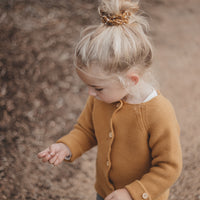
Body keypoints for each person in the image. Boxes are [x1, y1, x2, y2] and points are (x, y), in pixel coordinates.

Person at [38, 0, 182, 199]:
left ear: (131, 80)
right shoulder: (101, 98)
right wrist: (67, 146)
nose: (90, 93)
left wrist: (132, 193)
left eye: (97, 87)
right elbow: (86, 130)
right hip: (105, 192)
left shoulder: (159, 113)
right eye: (88, 86)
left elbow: (169, 166)